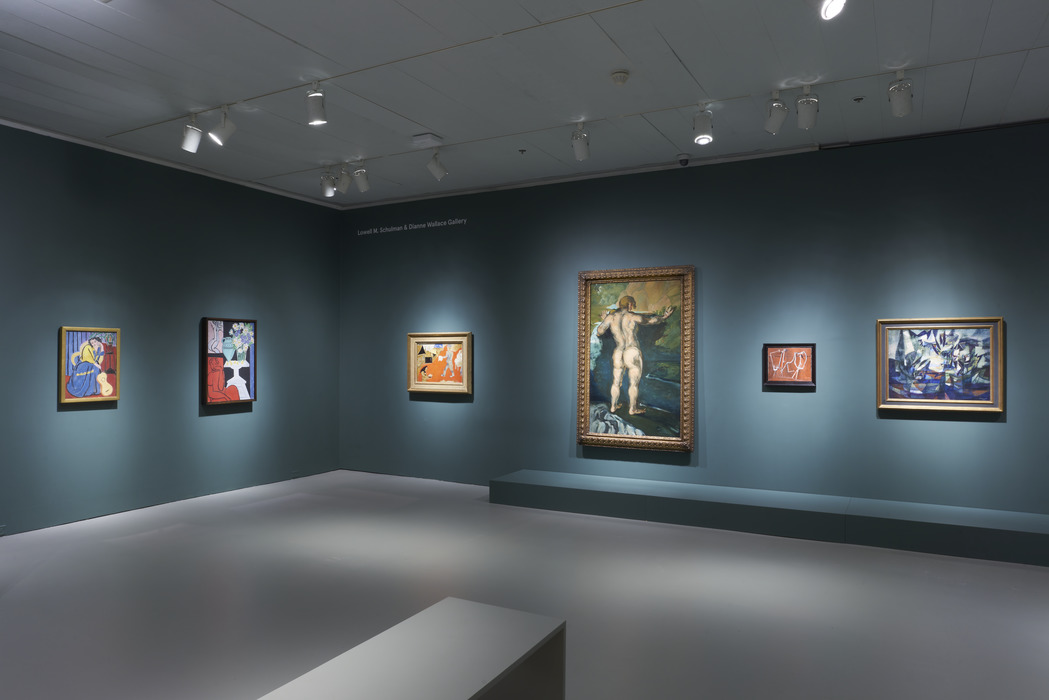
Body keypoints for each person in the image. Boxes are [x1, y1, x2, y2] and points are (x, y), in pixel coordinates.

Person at [595, 296, 674, 415]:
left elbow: (599, 331)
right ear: (630, 304)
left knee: (616, 382)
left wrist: (605, 319)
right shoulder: (632, 316)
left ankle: (613, 406)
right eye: (633, 304)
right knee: (633, 383)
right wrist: (664, 317)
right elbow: (651, 321)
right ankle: (632, 409)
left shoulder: (610, 317)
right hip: (631, 351)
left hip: (618, 351)